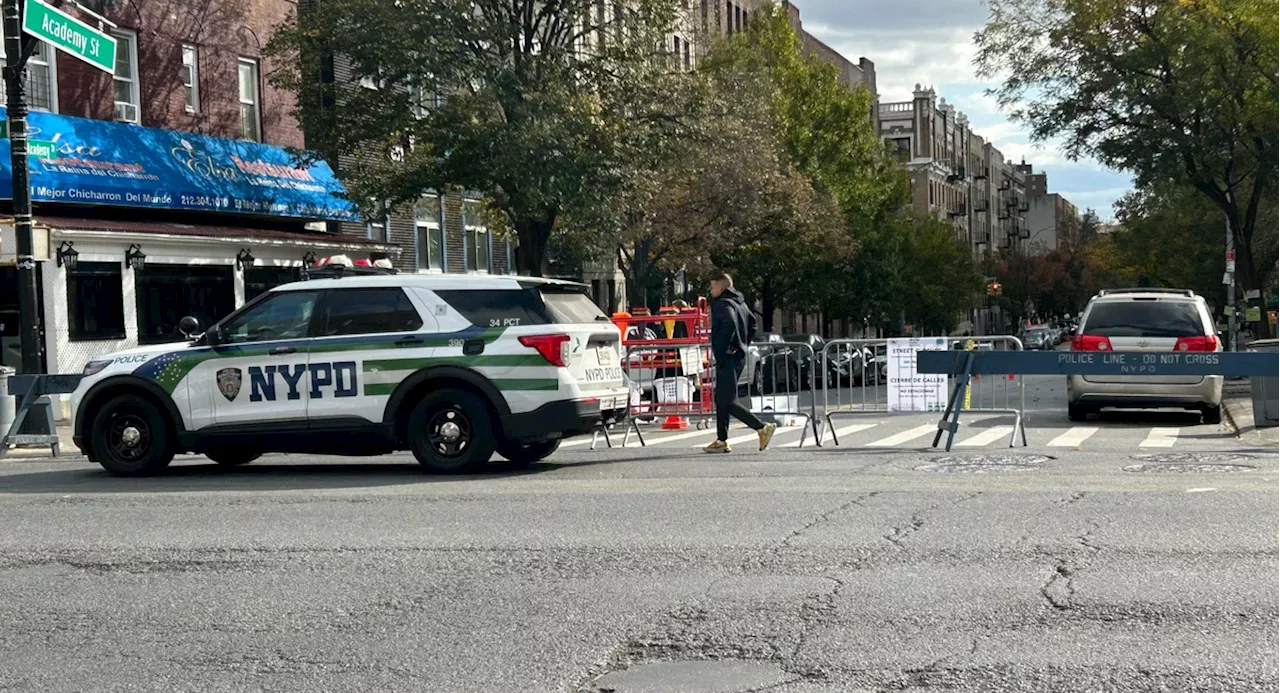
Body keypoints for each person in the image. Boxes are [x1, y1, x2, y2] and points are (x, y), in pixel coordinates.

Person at [705, 271, 775, 453]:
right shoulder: (740, 303)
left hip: (728, 357)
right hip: (738, 356)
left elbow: (728, 322)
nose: (711, 290)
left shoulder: (722, 304)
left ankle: (761, 427)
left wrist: (723, 347)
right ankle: (721, 440)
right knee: (722, 398)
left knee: (725, 400)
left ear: (722, 287)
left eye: (713, 287)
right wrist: (743, 343)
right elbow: (752, 324)